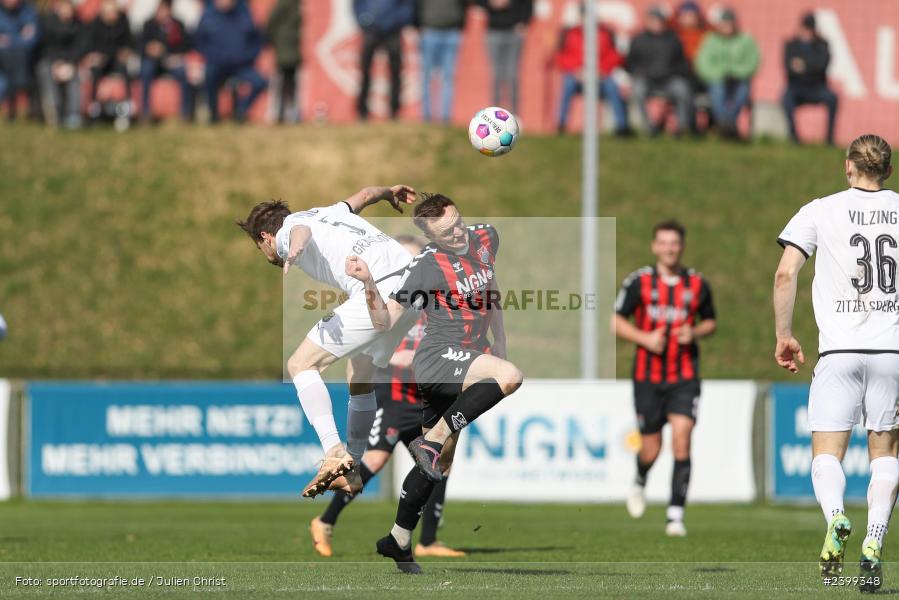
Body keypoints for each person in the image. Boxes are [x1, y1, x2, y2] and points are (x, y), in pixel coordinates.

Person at [345, 193, 521, 574]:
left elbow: (491, 288)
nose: (457, 233)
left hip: (469, 357)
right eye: (447, 231)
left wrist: (501, 339)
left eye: (458, 222)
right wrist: (368, 283)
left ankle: (399, 539)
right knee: (508, 377)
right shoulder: (427, 265)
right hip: (438, 358)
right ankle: (434, 436)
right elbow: (385, 323)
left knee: (437, 465)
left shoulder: (487, 236)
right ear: (430, 235)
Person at [773, 134, 898, 590]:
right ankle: (875, 540)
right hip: (891, 352)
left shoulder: (819, 210)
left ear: (849, 166)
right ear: (887, 169)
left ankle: (837, 517)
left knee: (827, 453)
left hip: (839, 351)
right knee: (885, 453)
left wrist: (784, 335)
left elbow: (786, 271)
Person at [236, 185, 417, 498]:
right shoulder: (328, 211)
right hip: (414, 289)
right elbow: (365, 194)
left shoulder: (291, 228)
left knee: (300, 364)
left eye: (261, 248)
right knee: (359, 373)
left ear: (266, 236)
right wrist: (389, 192)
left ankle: (334, 452)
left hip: (379, 289)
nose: (268, 254)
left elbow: (300, 233)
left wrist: (293, 251)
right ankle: (353, 468)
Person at [310, 235, 466, 560]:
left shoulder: (430, 301)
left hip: (420, 398)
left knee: (438, 464)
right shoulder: (383, 302)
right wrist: (398, 360)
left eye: (415, 261)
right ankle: (324, 521)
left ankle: (428, 540)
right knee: (376, 459)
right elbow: (364, 349)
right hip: (392, 396)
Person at [612, 220, 716, 537]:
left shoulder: (698, 284)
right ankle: (641, 477)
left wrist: (694, 331)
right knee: (651, 448)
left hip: (684, 375)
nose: (669, 248)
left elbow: (710, 321)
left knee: (682, 440)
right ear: (654, 246)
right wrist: (644, 338)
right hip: (648, 377)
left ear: (681, 247)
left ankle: (675, 516)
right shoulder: (639, 282)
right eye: (663, 242)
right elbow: (615, 321)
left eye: (675, 243)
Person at [555, 19, 630, 136]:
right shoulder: (571, 33)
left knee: (612, 85)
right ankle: (561, 124)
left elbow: (615, 55)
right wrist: (576, 70)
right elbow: (561, 56)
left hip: (600, 78)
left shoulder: (605, 33)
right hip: (578, 78)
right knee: (568, 82)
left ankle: (622, 127)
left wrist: (601, 70)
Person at [194, 0, 265, 123]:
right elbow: (199, 42)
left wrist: (247, 57)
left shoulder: (245, 14)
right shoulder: (208, 16)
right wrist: (213, 56)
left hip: (241, 65)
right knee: (209, 75)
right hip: (217, 64)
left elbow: (258, 41)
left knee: (260, 82)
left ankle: (240, 112)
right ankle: (213, 115)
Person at [626, 6, 693, 137]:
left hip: (669, 79)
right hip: (647, 80)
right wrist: (640, 72)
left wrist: (672, 71)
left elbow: (683, 64)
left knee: (683, 89)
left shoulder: (673, 40)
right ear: (648, 21)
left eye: (659, 21)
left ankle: (681, 127)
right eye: (653, 20)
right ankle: (648, 127)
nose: (657, 24)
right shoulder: (638, 40)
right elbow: (630, 64)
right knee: (638, 90)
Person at [694, 7, 759, 139]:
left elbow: (753, 62)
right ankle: (728, 125)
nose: (727, 27)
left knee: (743, 90)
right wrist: (721, 73)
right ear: (719, 25)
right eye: (725, 24)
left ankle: (725, 124)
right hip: (716, 79)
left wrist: (735, 73)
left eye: (730, 23)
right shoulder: (710, 40)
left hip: (738, 80)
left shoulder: (745, 40)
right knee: (717, 88)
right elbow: (702, 64)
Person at [353, 0, 414, 121]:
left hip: (393, 31)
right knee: (365, 70)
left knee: (395, 71)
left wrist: (396, 21)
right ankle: (362, 111)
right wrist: (364, 20)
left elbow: (407, 6)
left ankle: (394, 110)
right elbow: (357, 5)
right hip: (371, 30)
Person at [782, 12, 837, 145]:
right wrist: (811, 67)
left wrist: (804, 66)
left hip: (817, 88)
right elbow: (789, 69)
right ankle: (794, 137)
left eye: (810, 28)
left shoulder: (822, 45)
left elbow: (822, 66)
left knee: (833, 98)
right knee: (785, 99)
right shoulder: (791, 45)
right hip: (797, 88)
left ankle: (829, 139)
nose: (808, 32)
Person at [139, 0, 193, 122]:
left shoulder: (178, 25)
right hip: (153, 61)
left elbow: (185, 45)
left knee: (182, 71)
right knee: (146, 70)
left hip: (171, 61)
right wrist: (150, 48)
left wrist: (174, 55)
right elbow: (141, 45)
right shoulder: (148, 25)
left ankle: (186, 112)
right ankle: (146, 111)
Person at [476, 0, 532, 114]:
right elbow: (478, 4)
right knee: (496, 75)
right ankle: (494, 115)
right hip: (493, 30)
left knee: (512, 75)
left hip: (514, 31)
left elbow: (528, 3)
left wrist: (524, 21)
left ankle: (515, 115)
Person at [36, 0, 83, 129]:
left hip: (69, 63)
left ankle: (74, 116)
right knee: (45, 72)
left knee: (75, 75)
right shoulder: (47, 23)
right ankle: (54, 114)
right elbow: (44, 47)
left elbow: (79, 47)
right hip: (49, 62)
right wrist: (55, 63)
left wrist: (69, 63)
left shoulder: (78, 25)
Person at [417, 0, 466, 123]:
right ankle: (426, 116)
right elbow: (417, 5)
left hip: (452, 31)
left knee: (448, 77)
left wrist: (460, 23)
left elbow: (464, 5)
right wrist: (418, 24)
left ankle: (445, 117)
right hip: (430, 30)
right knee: (426, 77)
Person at [84, 0, 133, 120]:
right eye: (108, 13)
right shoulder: (96, 23)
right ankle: (94, 107)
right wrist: (94, 56)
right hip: (101, 60)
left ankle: (126, 105)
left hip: (117, 59)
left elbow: (129, 43)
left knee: (125, 70)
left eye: (113, 12)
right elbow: (90, 45)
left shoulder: (123, 22)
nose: (111, 15)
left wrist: (126, 51)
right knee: (95, 71)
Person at [0, 0, 39, 118]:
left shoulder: (28, 11)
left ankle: (14, 98)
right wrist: (19, 36)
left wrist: (9, 40)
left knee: (17, 55)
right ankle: (15, 96)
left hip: (24, 59)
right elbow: (25, 36)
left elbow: (32, 39)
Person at [266, 0, 301, 124]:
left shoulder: (294, 3)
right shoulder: (286, 3)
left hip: (291, 46)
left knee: (290, 82)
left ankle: (289, 114)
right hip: (285, 47)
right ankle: (282, 114)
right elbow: (271, 22)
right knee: (285, 82)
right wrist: (273, 40)